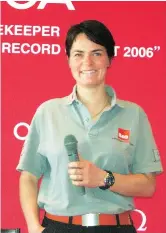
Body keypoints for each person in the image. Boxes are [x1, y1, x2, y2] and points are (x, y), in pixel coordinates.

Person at [16, 20, 163, 233]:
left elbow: (148, 186)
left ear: (109, 59)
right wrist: (33, 226)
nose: (87, 62)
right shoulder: (48, 112)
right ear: (68, 59)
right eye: (78, 54)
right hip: (58, 227)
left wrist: (104, 178)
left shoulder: (134, 115)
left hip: (115, 227)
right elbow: (29, 176)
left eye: (96, 53)